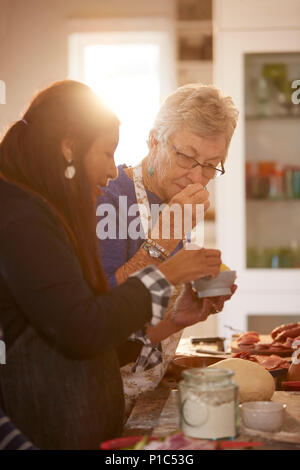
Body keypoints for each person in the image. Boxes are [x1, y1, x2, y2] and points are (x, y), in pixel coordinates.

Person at [0, 80, 222, 449]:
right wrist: (167, 272)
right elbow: (81, 329)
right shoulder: (21, 218)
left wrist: (172, 323)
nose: (110, 171)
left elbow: (92, 334)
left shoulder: (44, 212)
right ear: (69, 147)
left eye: (212, 165)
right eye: (105, 153)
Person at [97, 83, 239, 414]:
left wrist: (182, 315)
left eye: (210, 165)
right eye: (187, 157)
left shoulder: (181, 201)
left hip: (145, 397)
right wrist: (164, 239)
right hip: (101, 400)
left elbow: (141, 329)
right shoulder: (108, 199)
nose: (196, 177)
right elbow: (97, 312)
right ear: (153, 141)